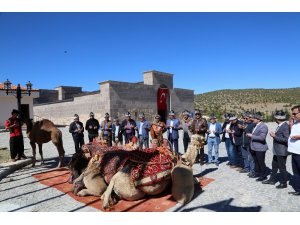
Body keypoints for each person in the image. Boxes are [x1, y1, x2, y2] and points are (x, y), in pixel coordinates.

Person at [262, 110, 290, 189]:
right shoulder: (281, 125)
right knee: (274, 165)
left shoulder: (285, 126)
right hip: (277, 151)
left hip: (282, 151)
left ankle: (283, 183)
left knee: (282, 167)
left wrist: (275, 136)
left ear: (277, 119)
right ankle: (272, 180)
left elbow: (287, 139)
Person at [246, 112, 269, 182]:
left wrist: (251, 136)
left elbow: (262, 138)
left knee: (261, 162)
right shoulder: (255, 125)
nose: (253, 119)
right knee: (256, 161)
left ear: (259, 119)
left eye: (255, 118)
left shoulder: (263, 126)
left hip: (260, 148)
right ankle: (258, 173)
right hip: (254, 147)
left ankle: (263, 175)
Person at [288, 105, 300, 196]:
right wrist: (291, 125)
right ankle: (298, 190)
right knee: (296, 172)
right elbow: (292, 133)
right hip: (294, 151)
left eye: (294, 113)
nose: (293, 115)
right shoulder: (296, 123)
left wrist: (298, 137)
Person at [239, 112, 256, 177]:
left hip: (249, 143)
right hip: (243, 142)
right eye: (244, 118)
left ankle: (252, 170)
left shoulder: (253, 124)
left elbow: (248, 130)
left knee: (251, 158)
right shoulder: (244, 123)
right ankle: (246, 168)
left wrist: (244, 128)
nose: (245, 119)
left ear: (250, 118)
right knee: (244, 156)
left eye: (246, 118)